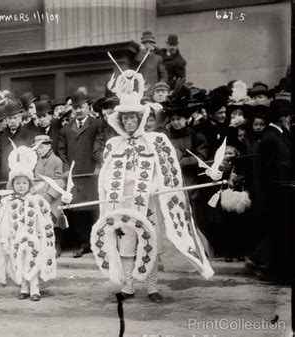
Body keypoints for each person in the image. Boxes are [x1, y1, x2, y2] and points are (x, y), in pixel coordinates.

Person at [91, 70, 213, 303]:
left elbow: (166, 171)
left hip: (149, 200)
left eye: (132, 118)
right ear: (119, 120)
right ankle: (127, 286)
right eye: (125, 118)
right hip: (124, 201)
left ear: (140, 119)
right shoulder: (113, 144)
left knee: (150, 241)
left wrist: (154, 186)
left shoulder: (156, 141)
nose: (128, 122)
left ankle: (152, 286)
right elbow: (106, 175)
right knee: (126, 242)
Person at [0, 145, 57, 301]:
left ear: (30, 184)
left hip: (33, 238)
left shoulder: (37, 201)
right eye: (18, 183)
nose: (21, 186)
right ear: (12, 185)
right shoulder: (8, 203)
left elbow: (42, 221)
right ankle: (23, 287)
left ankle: (35, 288)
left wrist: (41, 236)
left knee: (34, 260)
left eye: (24, 183)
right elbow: (3, 223)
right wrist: (4, 240)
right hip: (15, 238)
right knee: (18, 262)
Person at [246, 99, 292, 283]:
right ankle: (265, 265)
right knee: (280, 231)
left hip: (283, 191)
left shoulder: (279, 134)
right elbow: (270, 169)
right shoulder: (270, 137)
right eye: (288, 117)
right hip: (277, 193)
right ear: (282, 118)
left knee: (281, 232)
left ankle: (263, 263)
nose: (290, 120)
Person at [58, 91, 103, 258]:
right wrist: (66, 169)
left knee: (94, 208)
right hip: (74, 176)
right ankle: (84, 243)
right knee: (78, 210)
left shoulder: (97, 124)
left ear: (88, 107)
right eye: (75, 108)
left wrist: (99, 166)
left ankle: (98, 242)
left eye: (81, 107)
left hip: (92, 174)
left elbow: (102, 145)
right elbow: (61, 151)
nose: (78, 110)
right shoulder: (66, 129)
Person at [0, 100, 40, 184]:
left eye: (15, 118)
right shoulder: (2, 137)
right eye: (9, 118)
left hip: (23, 181)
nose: (12, 121)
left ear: (20, 118)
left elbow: (35, 159)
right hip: (5, 181)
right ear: (6, 120)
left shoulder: (29, 135)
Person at [33, 135, 66, 257]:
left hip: (53, 197)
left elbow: (60, 181)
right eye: (37, 148)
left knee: (54, 220)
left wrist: (49, 196)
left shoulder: (57, 161)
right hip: (38, 195)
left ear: (49, 146)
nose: (39, 150)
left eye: (41, 147)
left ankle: (56, 245)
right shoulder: (36, 160)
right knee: (40, 221)